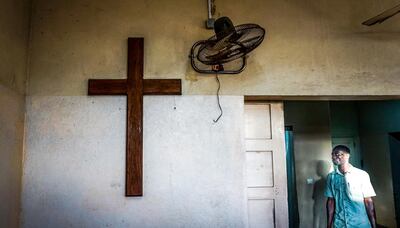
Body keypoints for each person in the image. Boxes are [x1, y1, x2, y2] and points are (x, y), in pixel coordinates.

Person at [325, 145, 377, 228]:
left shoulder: (361, 175)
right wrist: (329, 225)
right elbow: (331, 201)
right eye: (332, 154)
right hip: (339, 223)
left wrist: (374, 225)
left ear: (347, 156)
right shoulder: (331, 177)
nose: (333, 157)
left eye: (337, 154)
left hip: (360, 223)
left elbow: (368, 201)